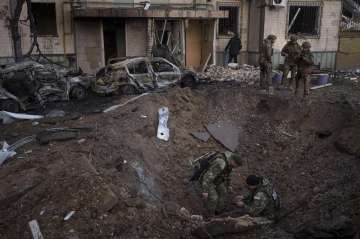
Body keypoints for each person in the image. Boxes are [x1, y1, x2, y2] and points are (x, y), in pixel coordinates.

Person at [198, 151, 243, 216]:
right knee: (214, 198)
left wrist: (229, 186)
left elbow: (227, 175)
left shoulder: (229, 163)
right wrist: (205, 191)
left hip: (217, 180)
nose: (235, 167)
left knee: (224, 193)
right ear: (233, 161)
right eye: (236, 165)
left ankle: (218, 212)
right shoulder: (221, 163)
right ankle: (209, 216)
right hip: (208, 181)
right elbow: (207, 176)